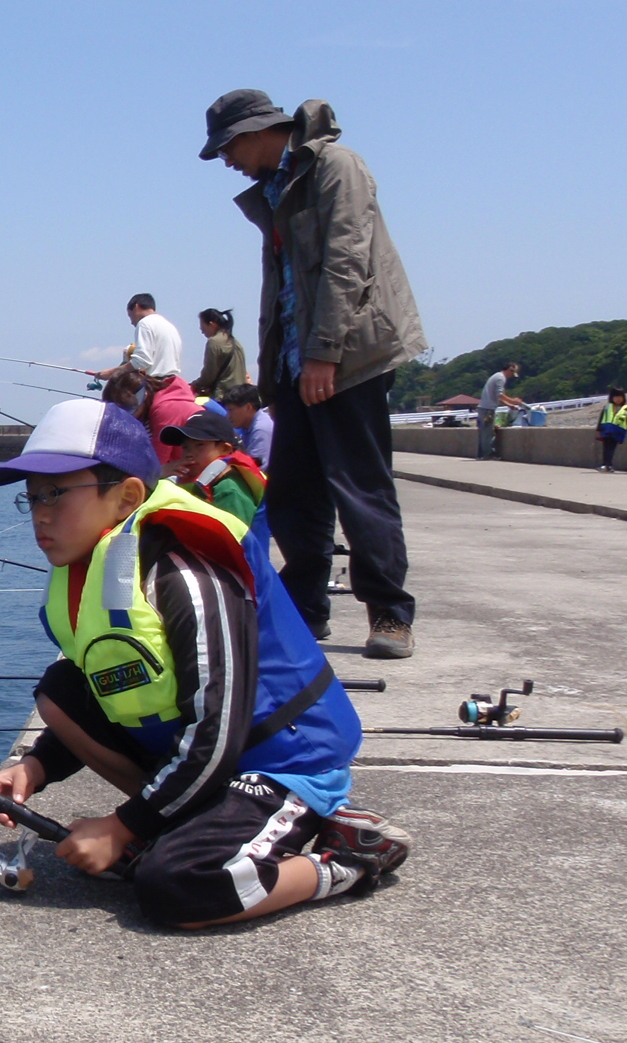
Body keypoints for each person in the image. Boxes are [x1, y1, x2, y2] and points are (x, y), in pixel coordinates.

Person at [0, 397, 410, 928]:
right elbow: (107, 687)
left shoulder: (184, 575)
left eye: (58, 493)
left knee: (176, 886)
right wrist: (35, 766)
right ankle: (181, 825)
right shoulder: (96, 566)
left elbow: (220, 726)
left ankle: (350, 859)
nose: (41, 513)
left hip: (278, 760)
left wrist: (122, 825)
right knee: (61, 689)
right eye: (33, 497)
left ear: (126, 497)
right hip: (211, 758)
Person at [202, 89, 427, 659]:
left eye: (227, 147)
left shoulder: (336, 167)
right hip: (296, 364)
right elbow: (281, 288)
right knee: (296, 493)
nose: (226, 160)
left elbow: (348, 259)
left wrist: (325, 352)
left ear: (255, 133)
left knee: (359, 486)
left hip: (347, 358)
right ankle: (305, 614)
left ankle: (390, 615)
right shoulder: (275, 189)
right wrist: (278, 370)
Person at [160, 410, 267, 526]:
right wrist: (159, 474)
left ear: (225, 449)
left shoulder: (229, 489)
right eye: (185, 447)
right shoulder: (180, 478)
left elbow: (234, 539)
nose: (189, 453)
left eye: (199, 445)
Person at [101, 367, 197, 474]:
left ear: (144, 395)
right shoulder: (146, 409)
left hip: (196, 471)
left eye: (128, 407)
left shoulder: (166, 409)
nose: (125, 415)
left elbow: (155, 466)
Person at [100, 294, 184, 380]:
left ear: (136, 307)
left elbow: (141, 361)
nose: (131, 322)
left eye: (130, 316)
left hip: (156, 385)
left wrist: (111, 373)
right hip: (172, 383)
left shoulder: (145, 323)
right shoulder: (170, 326)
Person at [192, 309, 248, 402]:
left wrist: (195, 385)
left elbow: (209, 374)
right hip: (241, 396)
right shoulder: (236, 343)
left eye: (203, 328)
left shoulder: (214, 342)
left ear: (212, 324)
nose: (202, 332)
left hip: (224, 396)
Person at [476, 362, 526, 461]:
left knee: (484, 433)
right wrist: (514, 401)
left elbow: (497, 397)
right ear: (510, 370)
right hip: (488, 409)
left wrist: (509, 405)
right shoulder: (501, 378)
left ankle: (481, 455)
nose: (511, 376)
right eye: (512, 373)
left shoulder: (496, 376)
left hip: (484, 408)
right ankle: (487, 455)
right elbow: (500, 395)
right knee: (488, 433)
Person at [221, 383, 274, 469]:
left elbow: (255, 469)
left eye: (231, 410)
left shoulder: (261, 429)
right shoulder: (248, 426)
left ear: (248, 407)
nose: (228, 416)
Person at [595, 389, 627, 473]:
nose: (618, 399)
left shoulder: (626, 408)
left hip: (617, 431)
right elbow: (601, 418)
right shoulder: (607, 407)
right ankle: (606, 465)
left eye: (620, 397)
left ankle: (607, 465)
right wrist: (598, 430)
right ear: (612, 398)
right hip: (607, 430)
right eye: (616, 397)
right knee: (606, 448)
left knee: (611, 449)